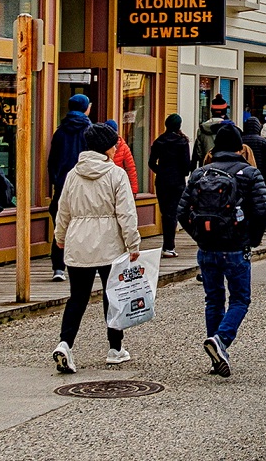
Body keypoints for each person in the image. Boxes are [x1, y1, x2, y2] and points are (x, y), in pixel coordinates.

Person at [50, 123, 141, 374]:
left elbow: (63, 211)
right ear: (106, 148)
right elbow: (126, 213)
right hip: (110, 244)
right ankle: (115, 348)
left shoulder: (73, 174)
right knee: (113, 296)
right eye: (113, 144)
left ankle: (65, 344)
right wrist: (133, 243)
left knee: (77, 297)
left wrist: (59, 237)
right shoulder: (116, 174)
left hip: (78, 243)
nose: (116, 148)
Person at [186, 122, 266, 378]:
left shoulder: (199, 174)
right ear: (239, 147)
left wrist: (198, 236)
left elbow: (182, 211)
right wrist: (252, 239)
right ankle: (220, 340)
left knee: (213, 300)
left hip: (207, 247)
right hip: (235, 246)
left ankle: (216, 358)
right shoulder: (249, 173)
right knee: (240, 300)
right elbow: (262, 210)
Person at [46, 93, 94, 280]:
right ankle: (83, 265)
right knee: (85, 224)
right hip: (84, 184)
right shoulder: (89, 130)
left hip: (63, 184)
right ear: (85, 108)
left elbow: (52, 160)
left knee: (61, 224)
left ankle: (58, 268)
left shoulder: (60, 131)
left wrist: (56, 180)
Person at [149, 113, 194, 257]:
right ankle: (169, 246)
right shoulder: (182, 142)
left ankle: (167, 246)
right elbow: (186, 167)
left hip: (162, 181)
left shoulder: (159, 141)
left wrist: (161, 171)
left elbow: (151, 162)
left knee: (165, 213)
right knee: (173, 212)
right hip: (177, 182)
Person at [240, 116, 266, 218]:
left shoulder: (241, 141)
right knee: (262, 200)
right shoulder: (263, 142)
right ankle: (264, 219)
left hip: (243, 176)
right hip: (261, 176)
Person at [194, 94, 232, 166]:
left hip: (206, 165)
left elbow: (199, 152)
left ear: (212, 111)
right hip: (225, 166)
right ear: (225, 111)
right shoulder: (230, 128)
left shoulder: (202, 128)